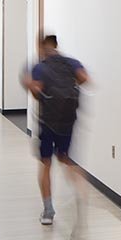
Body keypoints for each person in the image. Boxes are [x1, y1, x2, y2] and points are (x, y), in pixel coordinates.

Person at [23, 35, 89, 229]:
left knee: (45, 163)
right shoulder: (71, 62)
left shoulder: (40, 67)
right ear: (56, 46)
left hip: (47, 123)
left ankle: (48, 211)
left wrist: (29, 84)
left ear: (42, 48)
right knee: (65, 159)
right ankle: (79, 191)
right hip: (67, 121)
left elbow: (36, 91)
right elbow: (85, 79)